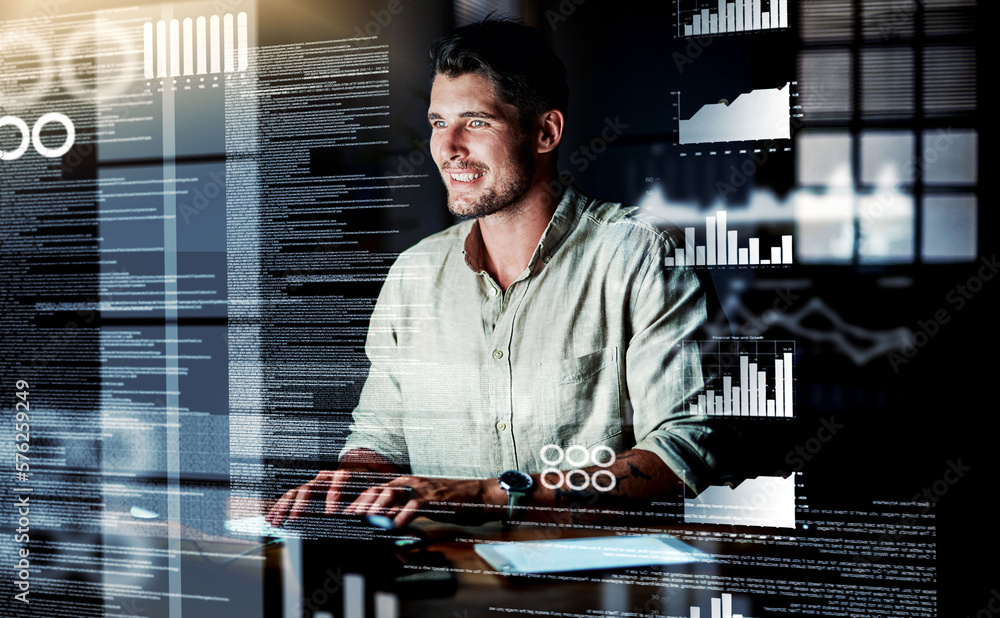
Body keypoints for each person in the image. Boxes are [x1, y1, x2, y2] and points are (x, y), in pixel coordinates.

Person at [265, 18, 718, 529]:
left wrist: (492, 495)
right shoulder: (414, 273)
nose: (448, 147)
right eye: (438, 123)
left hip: (593, 584)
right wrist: (352, 477)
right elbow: (382, 434)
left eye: (475, 122)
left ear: (545, 132)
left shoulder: (639, 254)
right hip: (442, 577)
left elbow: (684, 449)